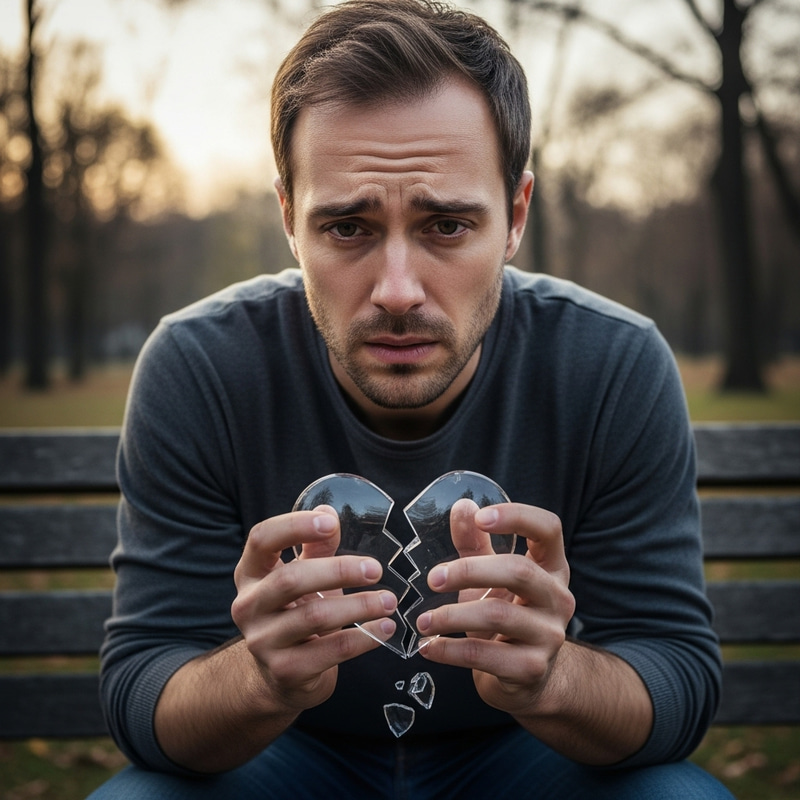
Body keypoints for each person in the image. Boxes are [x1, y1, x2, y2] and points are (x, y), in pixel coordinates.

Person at [88, 1, 733, 797]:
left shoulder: (611, 365)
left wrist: (552, 678)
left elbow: (676, 674)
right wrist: (260, 681)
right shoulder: (200, 368)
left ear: (515, 216)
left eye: (448, 224)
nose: (397, 291)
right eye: (349, 228)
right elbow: (142, 689)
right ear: (290, 219)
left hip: (528, 752)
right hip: (282, 754)